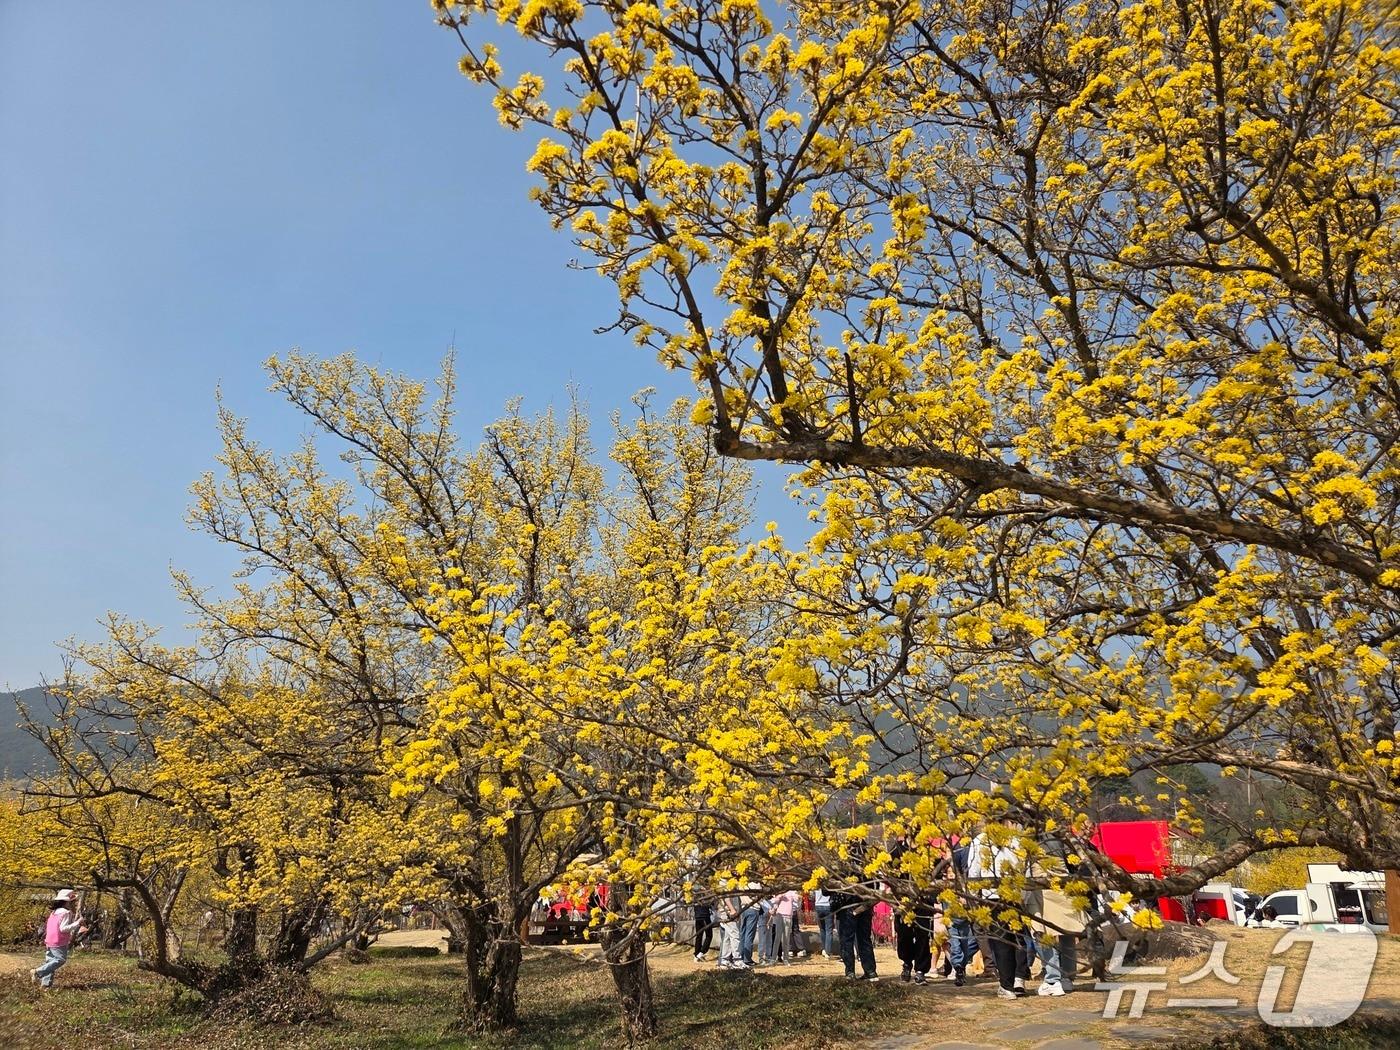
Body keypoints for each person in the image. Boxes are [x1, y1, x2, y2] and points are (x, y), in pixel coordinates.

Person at [968, 824, 1030, 999]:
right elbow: (1023, 868)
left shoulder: (980, 841)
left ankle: (1007, 986)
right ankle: (1019, 979)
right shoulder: (1016, 840)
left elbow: (974, 871)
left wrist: (973, 898)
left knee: (1002, 941)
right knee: (1018, 938)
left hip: (993, 896)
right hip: (1015, 895)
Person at [834, 836, 879, 982]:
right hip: (865, 906)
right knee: (864, 939)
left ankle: (850, 972)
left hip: (848, 906)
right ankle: (870, 971)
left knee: (847, 940)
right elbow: (876, 887)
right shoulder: (869, 865)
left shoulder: (844, 865)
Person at [31, 889, 87, 990]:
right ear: (66, 902)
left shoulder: (54, 912)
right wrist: (78, 923)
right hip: (58, 941)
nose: (72, 904)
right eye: (72, 902)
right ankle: (38, 972)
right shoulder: (66, 912)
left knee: (50, 962)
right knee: (60, 960)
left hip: (50, 940)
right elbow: (63, 928)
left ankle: (45, 985)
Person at [946, 838, 980, 986]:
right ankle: (958, 967)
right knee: (955, 944)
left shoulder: (964, 881)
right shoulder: (947, 884)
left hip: (964, 917)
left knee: (966, 943)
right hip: (951, 918)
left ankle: (962, 967)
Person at [814, 886, 835, 957]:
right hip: (828, 905)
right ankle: (828, 951)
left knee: (822, 929)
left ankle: (824, 949)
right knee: (829, 930)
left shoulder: (815, 883)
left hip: (818, 905)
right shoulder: (828, 884)